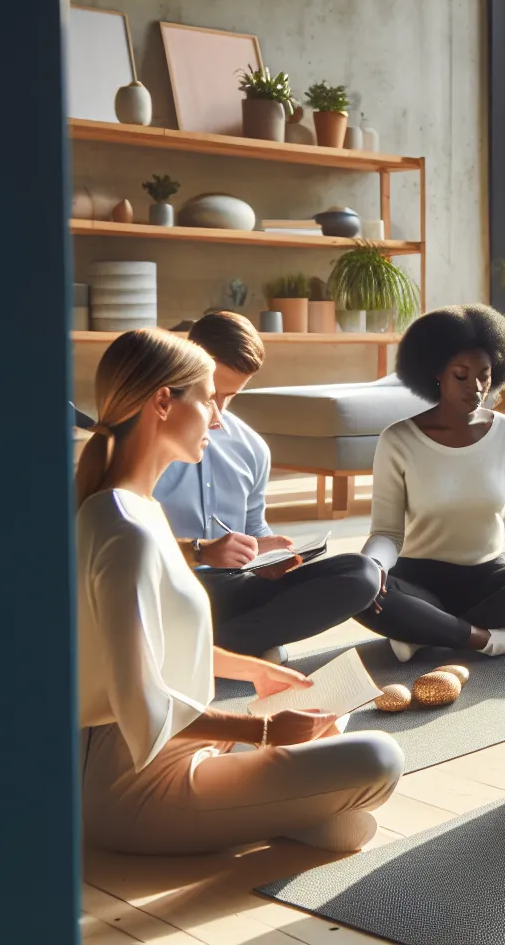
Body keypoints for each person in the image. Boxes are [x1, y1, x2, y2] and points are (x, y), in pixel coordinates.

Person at [78, 328, 403, 855]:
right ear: (164, 401)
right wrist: (265, 734)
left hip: (183, 750)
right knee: (381, 759)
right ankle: (290, 805)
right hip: (138, 784)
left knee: (328, 720)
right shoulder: (125, 529)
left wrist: (257, 671)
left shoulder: (135, 509)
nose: (218, 417)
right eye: (209, 398)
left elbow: (157, 648)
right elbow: (143, 707)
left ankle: (287, 807)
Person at [362, 305, 505, 662]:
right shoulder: (398, 440)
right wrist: (373, 567)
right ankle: (493, 640)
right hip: (417, 582)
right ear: (436, 372)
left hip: (489, 583)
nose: (476, 388)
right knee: (357, 586)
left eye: (484, 375)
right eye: (461, 375)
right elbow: (388, 534)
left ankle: (428, 632)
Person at [153, 311, 383, 661]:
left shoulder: (251, 447)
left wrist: (269, 553)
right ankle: (230, 649)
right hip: (166, 588)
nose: (218, 412)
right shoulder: (146, 443)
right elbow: (121, 543)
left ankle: (209, 651)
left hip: (231, 587)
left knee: (361, 573)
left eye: (230, 395)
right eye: (211, 394)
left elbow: (252, 528)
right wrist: (201, 550)